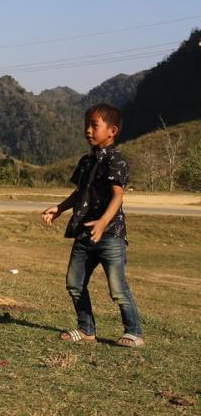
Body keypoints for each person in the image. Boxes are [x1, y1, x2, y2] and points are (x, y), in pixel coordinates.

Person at [41, 103, 144, 347]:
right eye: (86, 125)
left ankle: (134, 332)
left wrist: (103, 223)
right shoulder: (86, 161)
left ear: (112, 130)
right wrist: (59, 208)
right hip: (85, 233)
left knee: (118, 289)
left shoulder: (116, 161)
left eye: (94, 126)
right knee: (75, 283)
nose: (88, 130)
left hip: (110, 234)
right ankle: (86, 330)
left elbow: (118, 195)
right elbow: (80, 192)